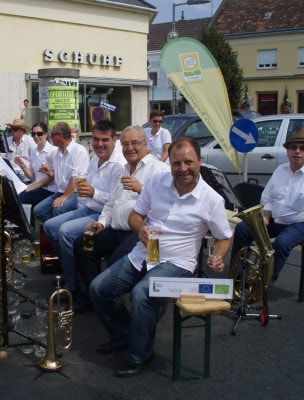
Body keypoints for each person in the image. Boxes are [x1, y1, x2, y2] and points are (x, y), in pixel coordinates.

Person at [90, 137, 232, 377]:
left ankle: (139, 355)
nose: (183, 169)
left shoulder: (211, 199)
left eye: (189, 162)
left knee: (141, 294)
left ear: (200, 161)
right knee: (98, 289)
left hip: (177, 263)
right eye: (177, 163)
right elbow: (136, 215)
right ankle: (127, 335)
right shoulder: (157, 182)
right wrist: (140, 228)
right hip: (144, 253)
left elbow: (224, 237)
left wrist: (217, 256)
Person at [73, 125, 169, 309]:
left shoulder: (159, 169)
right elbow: (111, 203)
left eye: (135, 143)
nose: (129, 148)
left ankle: (114, 308)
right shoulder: (124, 169)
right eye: (125, 144)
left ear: (146, 144)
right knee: (83, 245)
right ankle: (91, 298)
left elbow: (166, 207)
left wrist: (141, 189)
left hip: (139, 234)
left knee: (114, 264)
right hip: (115, 230)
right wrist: (101, 223)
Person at [43, 120, 124, 294]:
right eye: (96, 139)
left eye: (105, 140)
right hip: (88, 208)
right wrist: (82, 197)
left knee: (65, 231)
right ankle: (73, 270)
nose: (99, 144)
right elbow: (84, 189)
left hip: (104, 215)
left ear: (114, 140)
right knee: (49, 226)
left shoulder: (119, 165)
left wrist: (93, 192)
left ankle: (73, 286)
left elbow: (116, 202)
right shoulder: (94, 159)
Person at [231, 127, 304, 282]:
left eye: (302, 148)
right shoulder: (280, 169)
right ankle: (236, 276)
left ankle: (264, 282)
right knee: (242, 229)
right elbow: (267, 196)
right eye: (293, 147)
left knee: (282, 243)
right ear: (288, 151)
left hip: (298, 224)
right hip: (273, 220)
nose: (297, 151)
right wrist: (266, 215)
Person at [33, 122, 89, 221]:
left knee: (58, 209)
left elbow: (76, 178)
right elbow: (58, 176)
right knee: (38, 210)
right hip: (61, 191)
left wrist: (65, 196)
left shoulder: (79, 151)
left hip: (76, 193)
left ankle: (62, 231)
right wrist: (49, 172)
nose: (50, 138)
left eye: (52, 135)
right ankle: (53, 229)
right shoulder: (57, 152)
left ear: (60, 136)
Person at [16, 122, 57, 210]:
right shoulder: (34, 152)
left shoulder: (53, 151)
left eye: (39, 134)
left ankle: (28, 223)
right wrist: (23, 166)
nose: (36, 136)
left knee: (22, 198)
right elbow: (32, 176)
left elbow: (52, 177)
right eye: (33, 134)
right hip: (37, 186)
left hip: (49, 189)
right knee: (15, 195)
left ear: (46, 135)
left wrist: (32, 187)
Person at [6, 118, 35, 183]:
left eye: (15, 129)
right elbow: (2, 157)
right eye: (12, 129)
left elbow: (35, 158)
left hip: (26, 176)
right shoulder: (7, 141)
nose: (12, 131)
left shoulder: (29, 140)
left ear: (22, 131)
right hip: (11, 176)